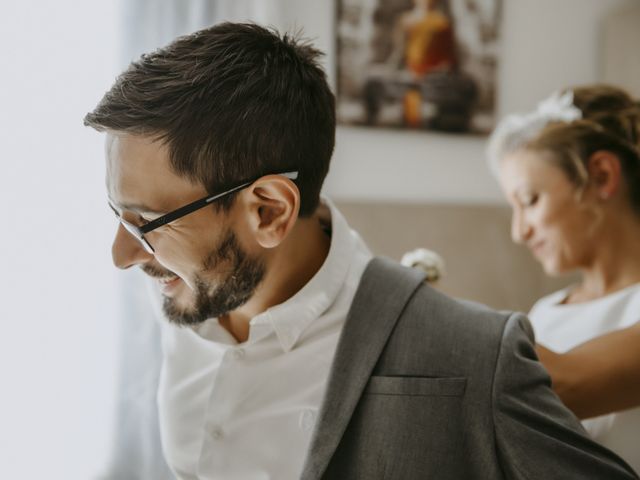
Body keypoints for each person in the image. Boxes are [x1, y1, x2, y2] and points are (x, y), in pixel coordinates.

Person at [85, 24, 637, 479]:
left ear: (269, 211)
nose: (120, 254)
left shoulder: (471, 353)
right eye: (118, 216)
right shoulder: (189, 294)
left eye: (146, 223)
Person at [489, 84, 640, 473]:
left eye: (530, 200)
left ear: (602, 176)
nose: (519, 232)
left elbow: (540, 388)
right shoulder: (545, 311)